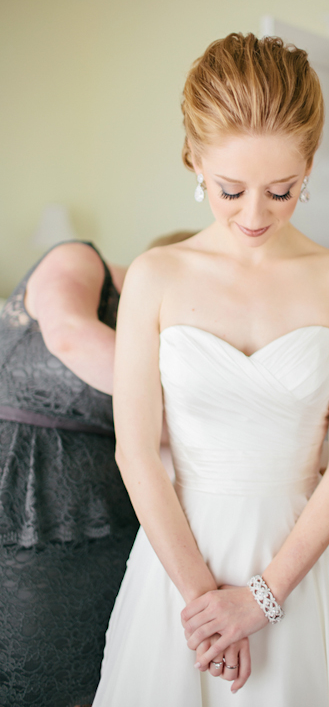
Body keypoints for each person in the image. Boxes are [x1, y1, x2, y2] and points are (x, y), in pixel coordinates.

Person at [93, 32, 329, 707]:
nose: (255, 216)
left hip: (305, 562)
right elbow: (136, 451)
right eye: (230, 190)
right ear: (192, 161)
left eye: (282, 191)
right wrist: (209, 605)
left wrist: (262, 599)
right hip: (181, 557)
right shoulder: (156, 276)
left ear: (310, 166)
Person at [0, 232, 195, 707]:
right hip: (25, 494)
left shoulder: (165, 338)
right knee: (27, 661)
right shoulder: (80, 260)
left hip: (104, 516)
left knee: (95, 664)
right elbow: (68, 334)